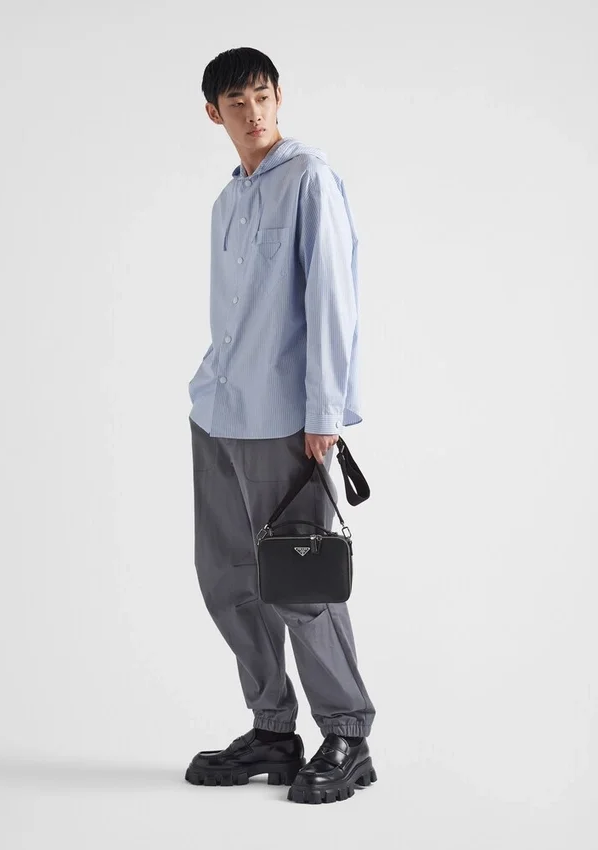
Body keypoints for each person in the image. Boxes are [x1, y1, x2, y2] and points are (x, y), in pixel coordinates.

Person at [185, 47, 377, 805]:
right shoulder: (225, 201)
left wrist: (325, 411)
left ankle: (347, 733)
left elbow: (333, 298)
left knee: (300, 582)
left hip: (284, 422)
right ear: (214, 114)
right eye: (237, 102)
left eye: (262, 96)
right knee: (228, 579)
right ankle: (272, 729)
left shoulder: (310, 179)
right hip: (218, 413)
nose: (253, 112)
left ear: (279, 97)